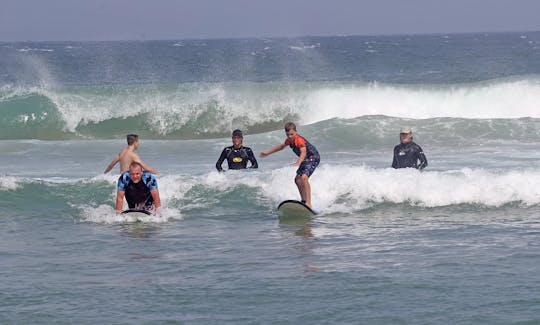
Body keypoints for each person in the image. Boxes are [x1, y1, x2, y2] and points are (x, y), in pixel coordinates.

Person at [260, 122, 320, 208]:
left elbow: (303, 152)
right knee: (297, 180)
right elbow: (281, 147)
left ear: (296, 132)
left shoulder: (299, 140)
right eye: (288, 135)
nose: (290, 137)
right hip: (305, 160)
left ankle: (309, 203)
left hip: (313, 157)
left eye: (292, 134)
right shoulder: (289, 140)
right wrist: (267, 153)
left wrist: (298, 162)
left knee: (304, 178)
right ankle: (303, 200)